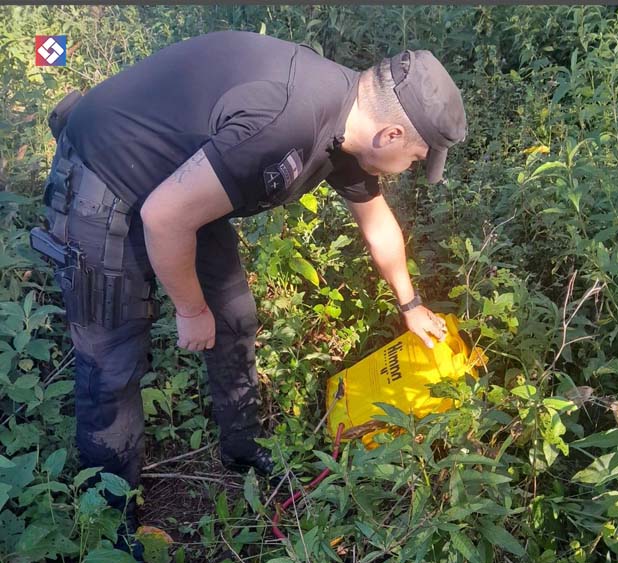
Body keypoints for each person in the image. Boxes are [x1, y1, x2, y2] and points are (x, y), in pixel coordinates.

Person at [33, 30, 466, 534]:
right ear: (389, 135)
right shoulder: (287, 121)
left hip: (182, 180)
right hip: (106, 172)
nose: (409, 169)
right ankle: (112, 527)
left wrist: (410, 303)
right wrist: (191, 310)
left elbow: (378, 225)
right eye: (415, 159)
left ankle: (240, 446)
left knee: (235, 315)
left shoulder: (347, 124)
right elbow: (164, 217)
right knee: (112, 364)